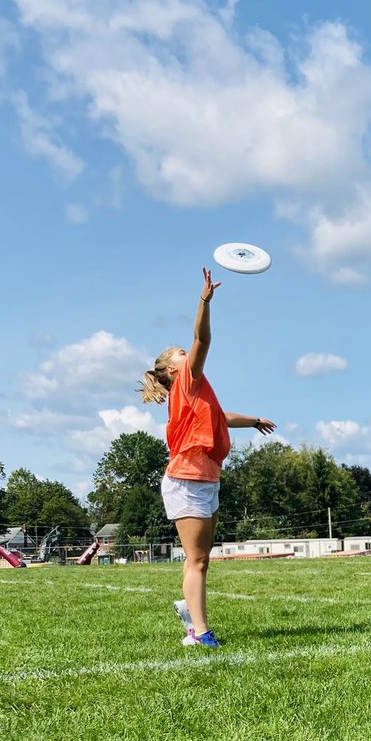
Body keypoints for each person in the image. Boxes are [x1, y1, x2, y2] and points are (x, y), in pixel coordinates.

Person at [140, 267, 276, 647]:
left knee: (199, 558)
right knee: (198, 560)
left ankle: (191, 615)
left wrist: (253, 421)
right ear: (173, 369)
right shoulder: (188, 380)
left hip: (206, 478)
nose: (188, 354)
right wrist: (204, 301)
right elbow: (203, 337)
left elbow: (220, 417)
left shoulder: (196, 392)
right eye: (182, 355)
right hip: (187, 480)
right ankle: (200, 634)